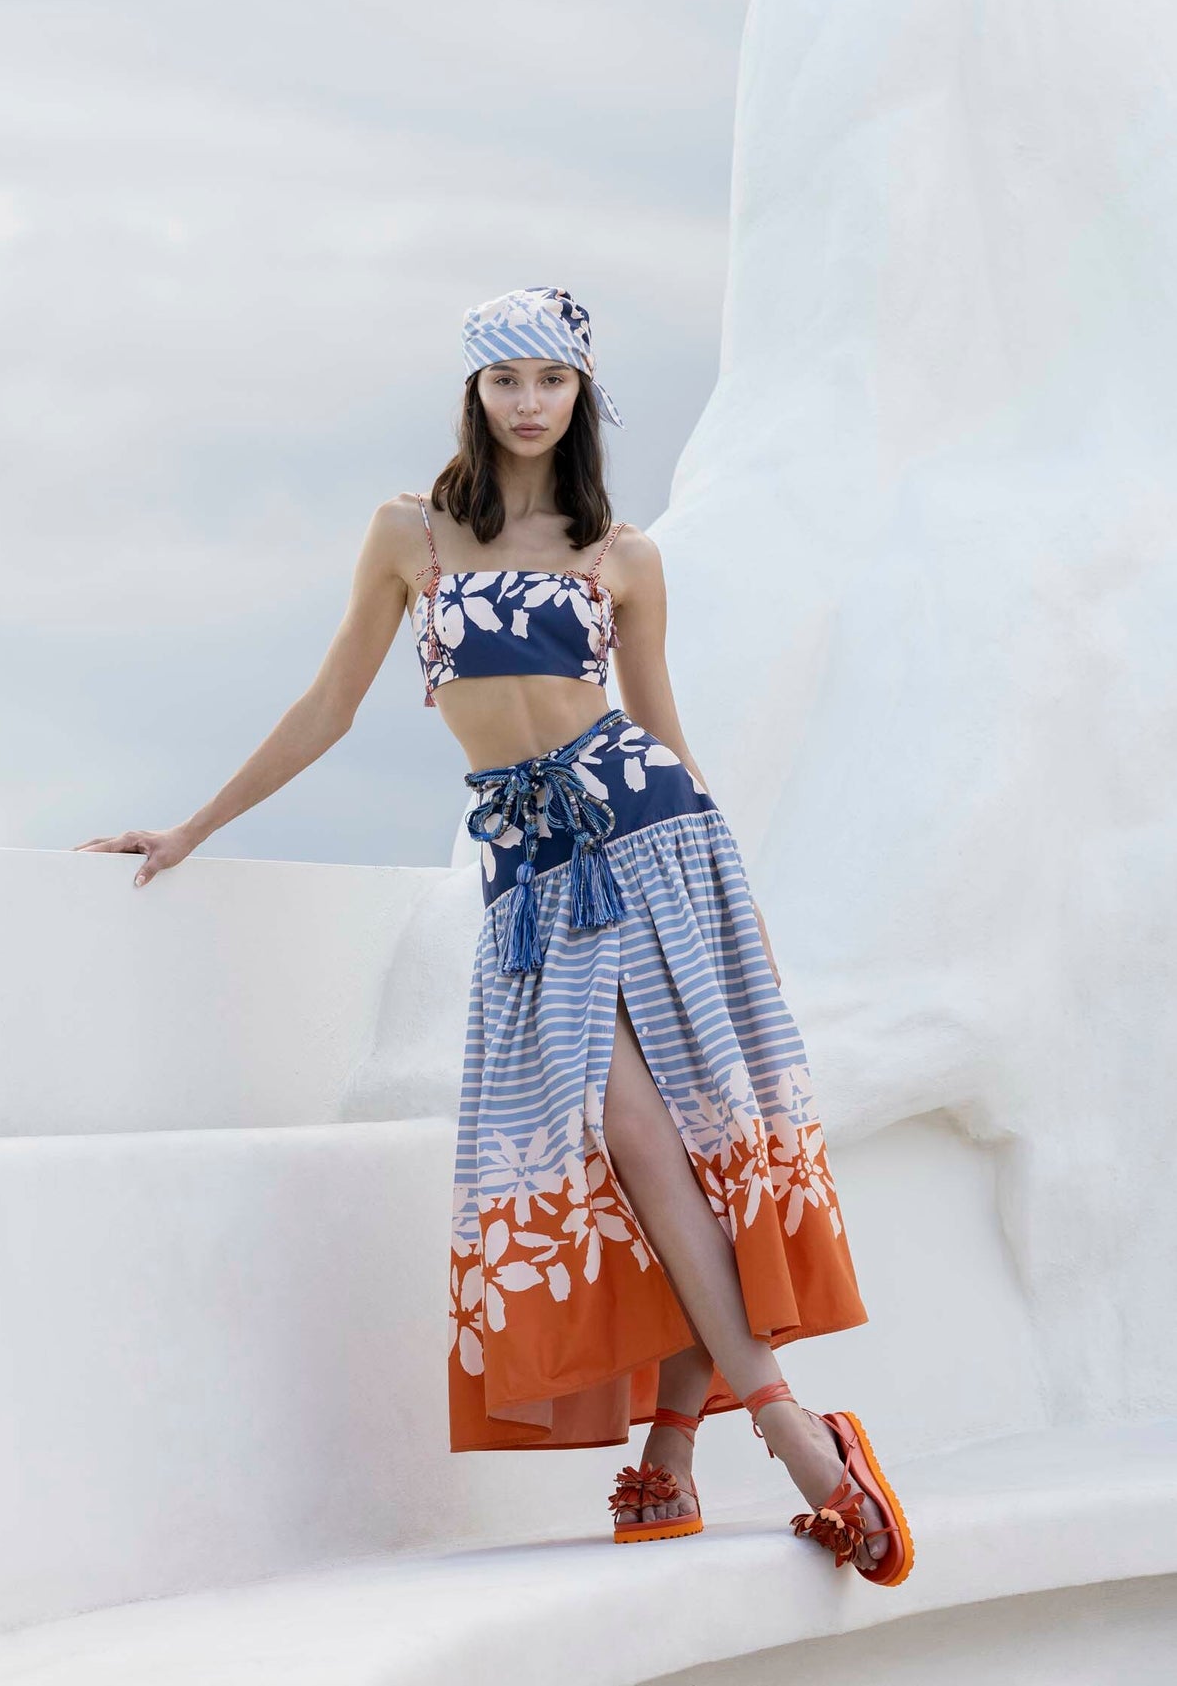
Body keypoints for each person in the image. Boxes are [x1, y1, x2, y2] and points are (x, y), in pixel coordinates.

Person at [76, 283, 911, 1584]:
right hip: (532, 877)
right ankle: (796, 1435)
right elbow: (330, 703)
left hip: (653, 841)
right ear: (473, 392)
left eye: (551, 379)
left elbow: (664, 728)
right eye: (505, 379)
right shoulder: (411, 533)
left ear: (581, 394)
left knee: (686, 1145)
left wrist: (733, 901)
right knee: (629, 1135)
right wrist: (190, 829)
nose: (528, 401)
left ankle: (694, 1456)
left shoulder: (621, 554)